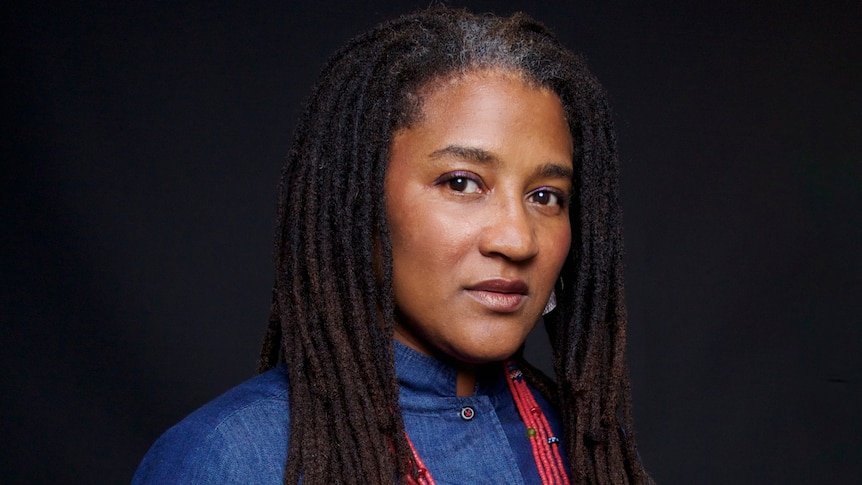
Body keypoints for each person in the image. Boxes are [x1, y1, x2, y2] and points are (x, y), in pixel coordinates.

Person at [133, 6, 653, 484]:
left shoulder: (586, 442)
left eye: (545, 196)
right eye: (461, 183)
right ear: (360, 203)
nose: (516, 239)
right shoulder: (234, 457)